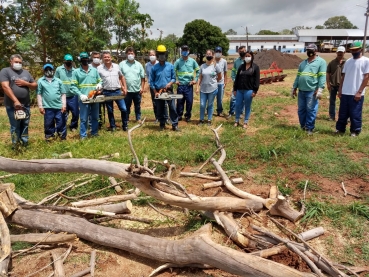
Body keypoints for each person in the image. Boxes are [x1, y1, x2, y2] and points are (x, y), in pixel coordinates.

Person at [0, 54, 37, 148]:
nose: (18, 64)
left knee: (25, 124)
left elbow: (34, 86)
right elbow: (5, 87)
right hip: (13, 105)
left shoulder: (26, 72)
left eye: (20, 62)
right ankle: (15, 145)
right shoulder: (5, 71)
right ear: (11, 62)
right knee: (15, 126)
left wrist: (26, 83)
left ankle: (24, 143)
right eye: (16, 62)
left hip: (26, 105)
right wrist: (16, 101)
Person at [335, 41, 369, 136]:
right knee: (343, 113)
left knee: (355, 113)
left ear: (361, 49)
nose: (353, 52)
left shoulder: (366, 61)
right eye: (352, 50)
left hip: (356, 93)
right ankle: (340, 129)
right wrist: (340, 89)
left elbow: (366, 77)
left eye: (355, 50)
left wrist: (359, 92)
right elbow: (343, 77)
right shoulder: (348, 62)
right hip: (345, 92)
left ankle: (355, 130)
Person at [292, 44, 326, 135]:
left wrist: (320, 89)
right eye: (307, 50)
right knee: (301, 110)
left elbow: (322, 76)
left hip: (312, 91)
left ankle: (309, 128)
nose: (309, 52)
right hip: (301, 91)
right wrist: (294, 87)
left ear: (315, 50)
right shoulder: (303, 63)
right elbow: (298, 76)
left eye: (311, 50)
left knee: (311, 109)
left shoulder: (321, 62)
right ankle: (303, 126)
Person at [70, 52, 102, 139]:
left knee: (95, 117)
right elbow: (73, 86)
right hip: (84, 98)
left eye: (86, 59)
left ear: (89, 60)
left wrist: (99, 84)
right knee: (84, 119)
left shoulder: (94, 70)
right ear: (80, 60)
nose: (85, 61)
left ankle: (94, 133)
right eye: (83, 59)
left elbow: (100, 80)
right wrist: (80, 95)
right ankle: (83, 136)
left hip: (94, 97)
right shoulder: (76, 72)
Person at [150, 45, 180, 131]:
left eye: (163, 54)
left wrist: (170, 83)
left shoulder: (170, 66)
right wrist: (155, 91)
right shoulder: (154, 68)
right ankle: (162, 124)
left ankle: (175, 125)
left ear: (166, 55)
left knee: (172, 107)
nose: (162, 56)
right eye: (160, 54)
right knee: (160, 108)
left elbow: (174, 78)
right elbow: (151, 82)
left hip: (168, 90)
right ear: (157, 55)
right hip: (159, 91)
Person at [98, 51, 128, 131]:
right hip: (107, 92)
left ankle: (125, 125)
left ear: (111, 58)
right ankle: (112, 126)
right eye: (105, 57)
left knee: (123, 109)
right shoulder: (99, 68)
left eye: (108, 57)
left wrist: (125, 88)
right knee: (110, 110)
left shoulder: (116, 66)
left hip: (117, 91)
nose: (107, 58)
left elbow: (121, 77)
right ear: (102, 59)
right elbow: (97, 80)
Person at [37, 64, 67, 141]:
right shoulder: (40, 81)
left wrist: (64, 105)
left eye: (50, 69)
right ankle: (49, 137)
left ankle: (62, 137)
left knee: (61, 122)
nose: (48, 71)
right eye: (46, 69)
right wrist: (40, 106)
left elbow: (63, 93)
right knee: (48, 123)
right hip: (47, 107)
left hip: (59, 106)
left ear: (53, 70)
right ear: (44, 71)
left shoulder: (58, 81)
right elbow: (39, 94)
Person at [233, 51, 260, 129]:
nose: (247, 57)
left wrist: (255, 91)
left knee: (247, 106)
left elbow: (257, 80)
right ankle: (237, 120)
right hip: (239, 90)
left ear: (252, 57)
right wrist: (235, 89)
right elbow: (237, 78)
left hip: (249, 90)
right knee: (238, 105)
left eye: (249, 56)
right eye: (246, 56)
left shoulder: (255, 67)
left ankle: (245, 121)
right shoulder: (241, 67)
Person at [119, 47, 145, 126]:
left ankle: (138, 118)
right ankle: (126, 119)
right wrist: (122, 87)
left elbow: (142, 78)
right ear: (126, 54)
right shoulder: (122, 64)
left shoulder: (139, 65)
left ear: (135, 54)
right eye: (129, 53)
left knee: (137, 105)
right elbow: (119, 77)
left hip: (137, 90)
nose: (130, 55)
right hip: (127, 90)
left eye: (132, 53)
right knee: (127, 105)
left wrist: (142, 87)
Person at [174, 45, 199, 122]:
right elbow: (173, 71)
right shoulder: (178, 61)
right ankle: (179, 115)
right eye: (183, 50)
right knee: (179, 101)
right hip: (180, 85)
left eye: (186, 50)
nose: (185, 51)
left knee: (189, 101)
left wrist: (195, 80)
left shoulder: (193, 61)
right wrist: (176, 80)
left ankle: (188, 115)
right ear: (181, 51)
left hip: (189, 85)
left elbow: (198, 71)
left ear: (189, 51)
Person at [196, 49, 221, 126]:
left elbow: (220, 77)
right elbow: (200, 78)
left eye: (210, 54)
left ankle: (209, 119)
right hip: (203, 89)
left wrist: (213, 82)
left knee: (210, 104)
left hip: (212, 89)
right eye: (207, 54)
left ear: (213, 55)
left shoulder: (216, 66)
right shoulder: (202, 66)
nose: (208, 55)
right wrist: (197, 87)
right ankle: (201, 119)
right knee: (202, 104)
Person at [55, 54, 79, 132]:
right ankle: (62, 126)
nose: (69, 63)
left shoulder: (75, 71)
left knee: (75, 113)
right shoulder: (59, 69)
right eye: (67, 61)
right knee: (63, 113)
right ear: (64, 61)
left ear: (72, 62)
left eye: (70, 61)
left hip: (73, 96)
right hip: (63, 96)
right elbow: (55, 81)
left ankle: (73, 126)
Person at [145, 49, 169, 123]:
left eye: (153, 55)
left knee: (164, 103)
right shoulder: (147, 65)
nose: (152, 56)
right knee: (155, 103)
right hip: (153, 87)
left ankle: (166, 118)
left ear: (156, 56)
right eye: (150, 55)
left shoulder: (160, 63)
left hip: (161, 86)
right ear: (149, 56)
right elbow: (148, 76)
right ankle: (158, 118)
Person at [226, 46, 246, 119]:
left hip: (245, 84)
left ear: (245, 51)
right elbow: (233, 72)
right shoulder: (237, 61)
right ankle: (231, 112)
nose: (241, 52)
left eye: (243, 51)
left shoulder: (248, 61)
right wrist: (234, 80)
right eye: (240, 51)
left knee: (243, 99)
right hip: (237, 83)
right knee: (233, 98)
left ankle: (241, 113)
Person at [326, 46, 346, 121]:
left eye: (341, 52)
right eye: (339, 52)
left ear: (344, 53)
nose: (340, 54)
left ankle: (343, 116)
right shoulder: (332, 62)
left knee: (344, 102)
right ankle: (332, 116)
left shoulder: (347, 62)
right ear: (336, 53)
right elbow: (328, 73)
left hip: (343, 86)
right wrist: (328, 83)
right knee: (332, 101)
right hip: (333, 85)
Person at [90, 51, 104, 128]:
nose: (96, 59)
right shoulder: (89, 66)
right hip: (91, 91)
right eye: (94, 57)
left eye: (98, 57)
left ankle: (99, 123)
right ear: (92, 58)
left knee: (99, 108)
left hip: (101, 90)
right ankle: (91, 123)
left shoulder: (103, 66)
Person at [214, 46, 228, 116]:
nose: (218, 53)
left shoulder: (224, 61)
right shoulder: (212, 61)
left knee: (220, 98)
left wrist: (225, 82)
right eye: (217, 51)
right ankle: (208, 110)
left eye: (219, 52)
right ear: (214, 52)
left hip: (220, 83)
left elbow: (225, 72)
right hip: (212, 83)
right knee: (211, 98)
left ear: (221, 53)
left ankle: (219, 111)